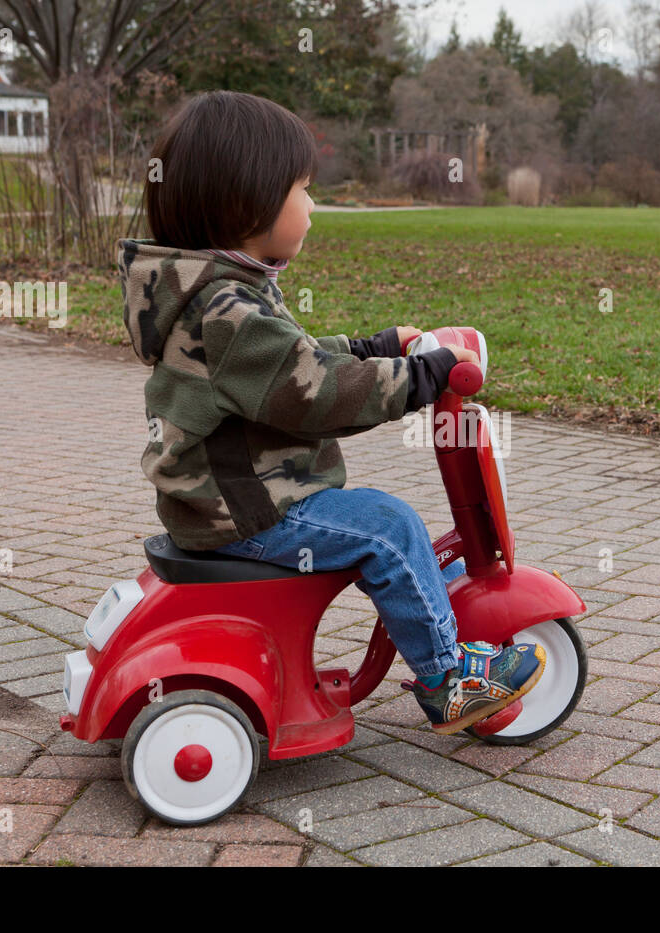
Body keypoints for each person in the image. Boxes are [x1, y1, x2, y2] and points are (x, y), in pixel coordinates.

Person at [118, 90, 544, 734]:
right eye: (302, 188)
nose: (313, 206)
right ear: (247, 202)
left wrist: (376, 348)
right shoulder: (227, 310)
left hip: (229, 501)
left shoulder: (219, 291)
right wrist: (423, 376)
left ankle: (442, 646)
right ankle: (448, 681)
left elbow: (292, 363)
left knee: (381, 523)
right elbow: (315, 393)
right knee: (389, 527)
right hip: (251, 511)